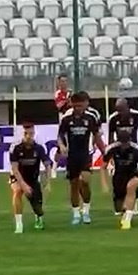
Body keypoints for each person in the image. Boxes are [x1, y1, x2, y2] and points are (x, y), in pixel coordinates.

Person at [58, 91, 106, 225]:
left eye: (80, 105)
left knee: (85, 181)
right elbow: (60, 135)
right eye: (75, 106)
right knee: (74, 185)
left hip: (85, 154)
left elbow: (96, 136)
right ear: (72, 105)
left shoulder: (90, 118)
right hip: (72, 155)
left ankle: (86, 211)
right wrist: (62, 146)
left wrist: (105, 153)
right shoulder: (66, 119)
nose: (78, 108)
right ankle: (75, 213)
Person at [9, 122, 53, 233]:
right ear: (22, 134)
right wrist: (23, 185)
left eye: (31, 133)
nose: (29, 136)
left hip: (33, 177)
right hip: (18, 176)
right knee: (17, 191)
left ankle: (39, 217)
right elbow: (14, 168)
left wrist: (48, 183)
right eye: (26, 133)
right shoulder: (15, 147)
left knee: (38, 208)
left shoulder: (39, 147)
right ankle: (19, 225)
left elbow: (48, 165)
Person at [100, 129, 138, 230]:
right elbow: (103, 167)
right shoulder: (112, 149)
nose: (125, 145)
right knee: (120, 207)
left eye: (126, 143)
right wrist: (104, 184)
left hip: (132, 174)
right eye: (123, 143)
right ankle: (126, 214)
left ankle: (128, 220)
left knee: (130, 189)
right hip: (118, 176)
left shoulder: (135, 149)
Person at [107, 98, 138, 214]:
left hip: (133, 149)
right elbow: (110, 136)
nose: (119, 112)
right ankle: (119, 200)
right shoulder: (113, 118)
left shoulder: (136, 116)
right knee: (119, 175)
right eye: (117, 110)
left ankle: (134, 204)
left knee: (133, 174)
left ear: (127, 107)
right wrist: (111, 154)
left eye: (121, 109)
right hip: (119, 149)